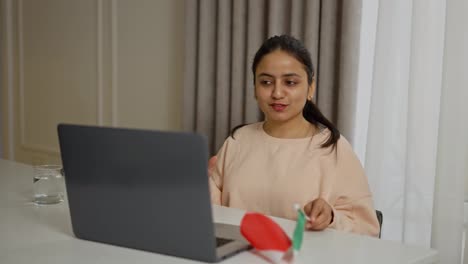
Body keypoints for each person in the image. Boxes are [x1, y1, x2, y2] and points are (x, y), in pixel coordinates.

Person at [208, 35, 380, 237]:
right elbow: (210, 215)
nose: (277, 93)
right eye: (266, 82)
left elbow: (367, 228)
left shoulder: (333, 148)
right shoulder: (238, 141)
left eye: (290, 82)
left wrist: (331, 217)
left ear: (310, 88)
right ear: (254, 88)